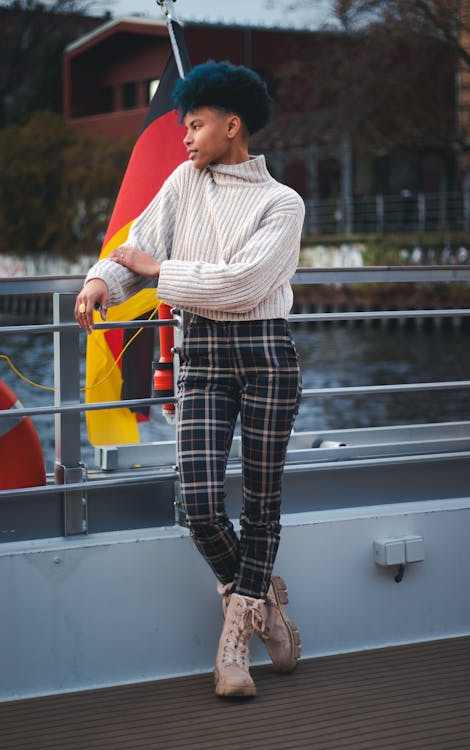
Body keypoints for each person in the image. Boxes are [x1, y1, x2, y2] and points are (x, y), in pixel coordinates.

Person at [75, 61, 305, 699]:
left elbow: (243, 285)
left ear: (232, 126)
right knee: (199, 503)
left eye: (196, 125)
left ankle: (233, 648)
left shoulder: (283, 203)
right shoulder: (182, 181)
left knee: (261, 504)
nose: (184, 137)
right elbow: (136, 246)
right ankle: (263, 598)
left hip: (264, 354)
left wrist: (158, 270)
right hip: (200, 354)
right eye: (184, 125)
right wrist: (103, 278)